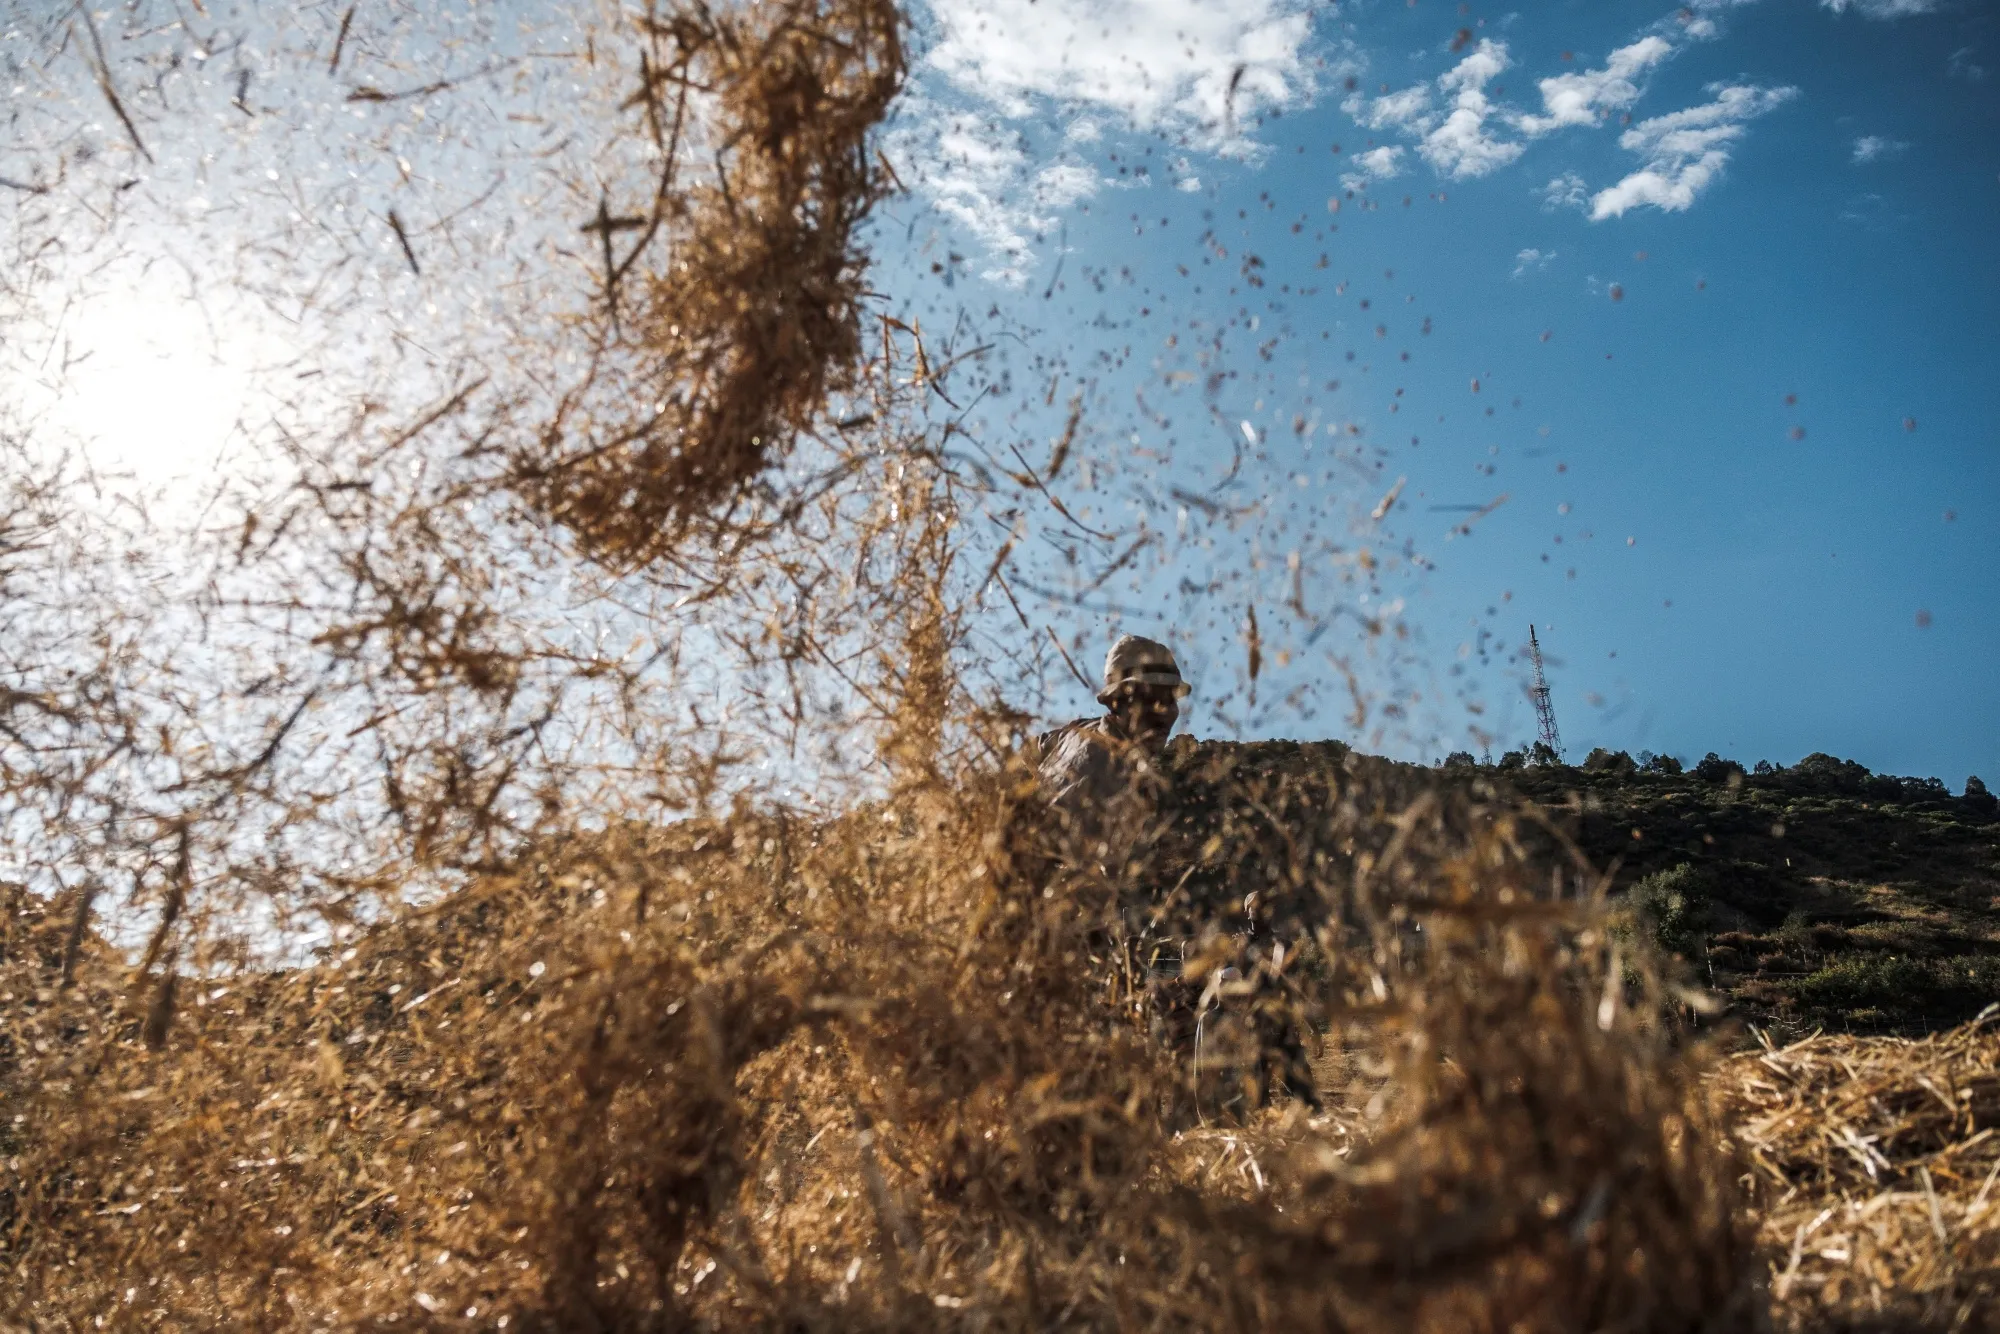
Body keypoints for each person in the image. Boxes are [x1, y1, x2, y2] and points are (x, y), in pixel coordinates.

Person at [1033, 634, 1188, 875]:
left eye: (1170, 699)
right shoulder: (1121, 783)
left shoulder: (1082, 730)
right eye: (1151, 699)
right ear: (1117, 701)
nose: (1165, 712)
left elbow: (1034, 747)